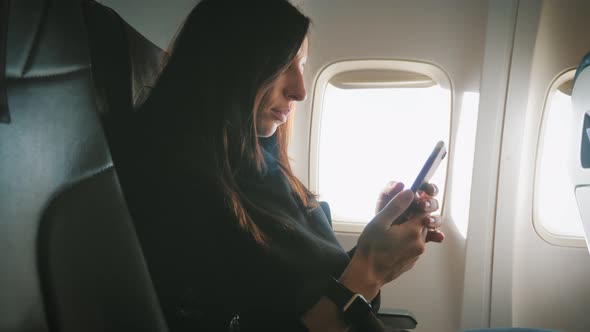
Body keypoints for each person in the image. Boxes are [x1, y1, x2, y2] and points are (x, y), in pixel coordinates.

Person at [120, 0, 444, 331]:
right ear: (227, 64)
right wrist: (371, 270)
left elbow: (304, 285)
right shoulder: (178, 193)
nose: (300, 91)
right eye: (282, 65)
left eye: (302, 65)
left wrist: (376, 242)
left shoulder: (256, 163)